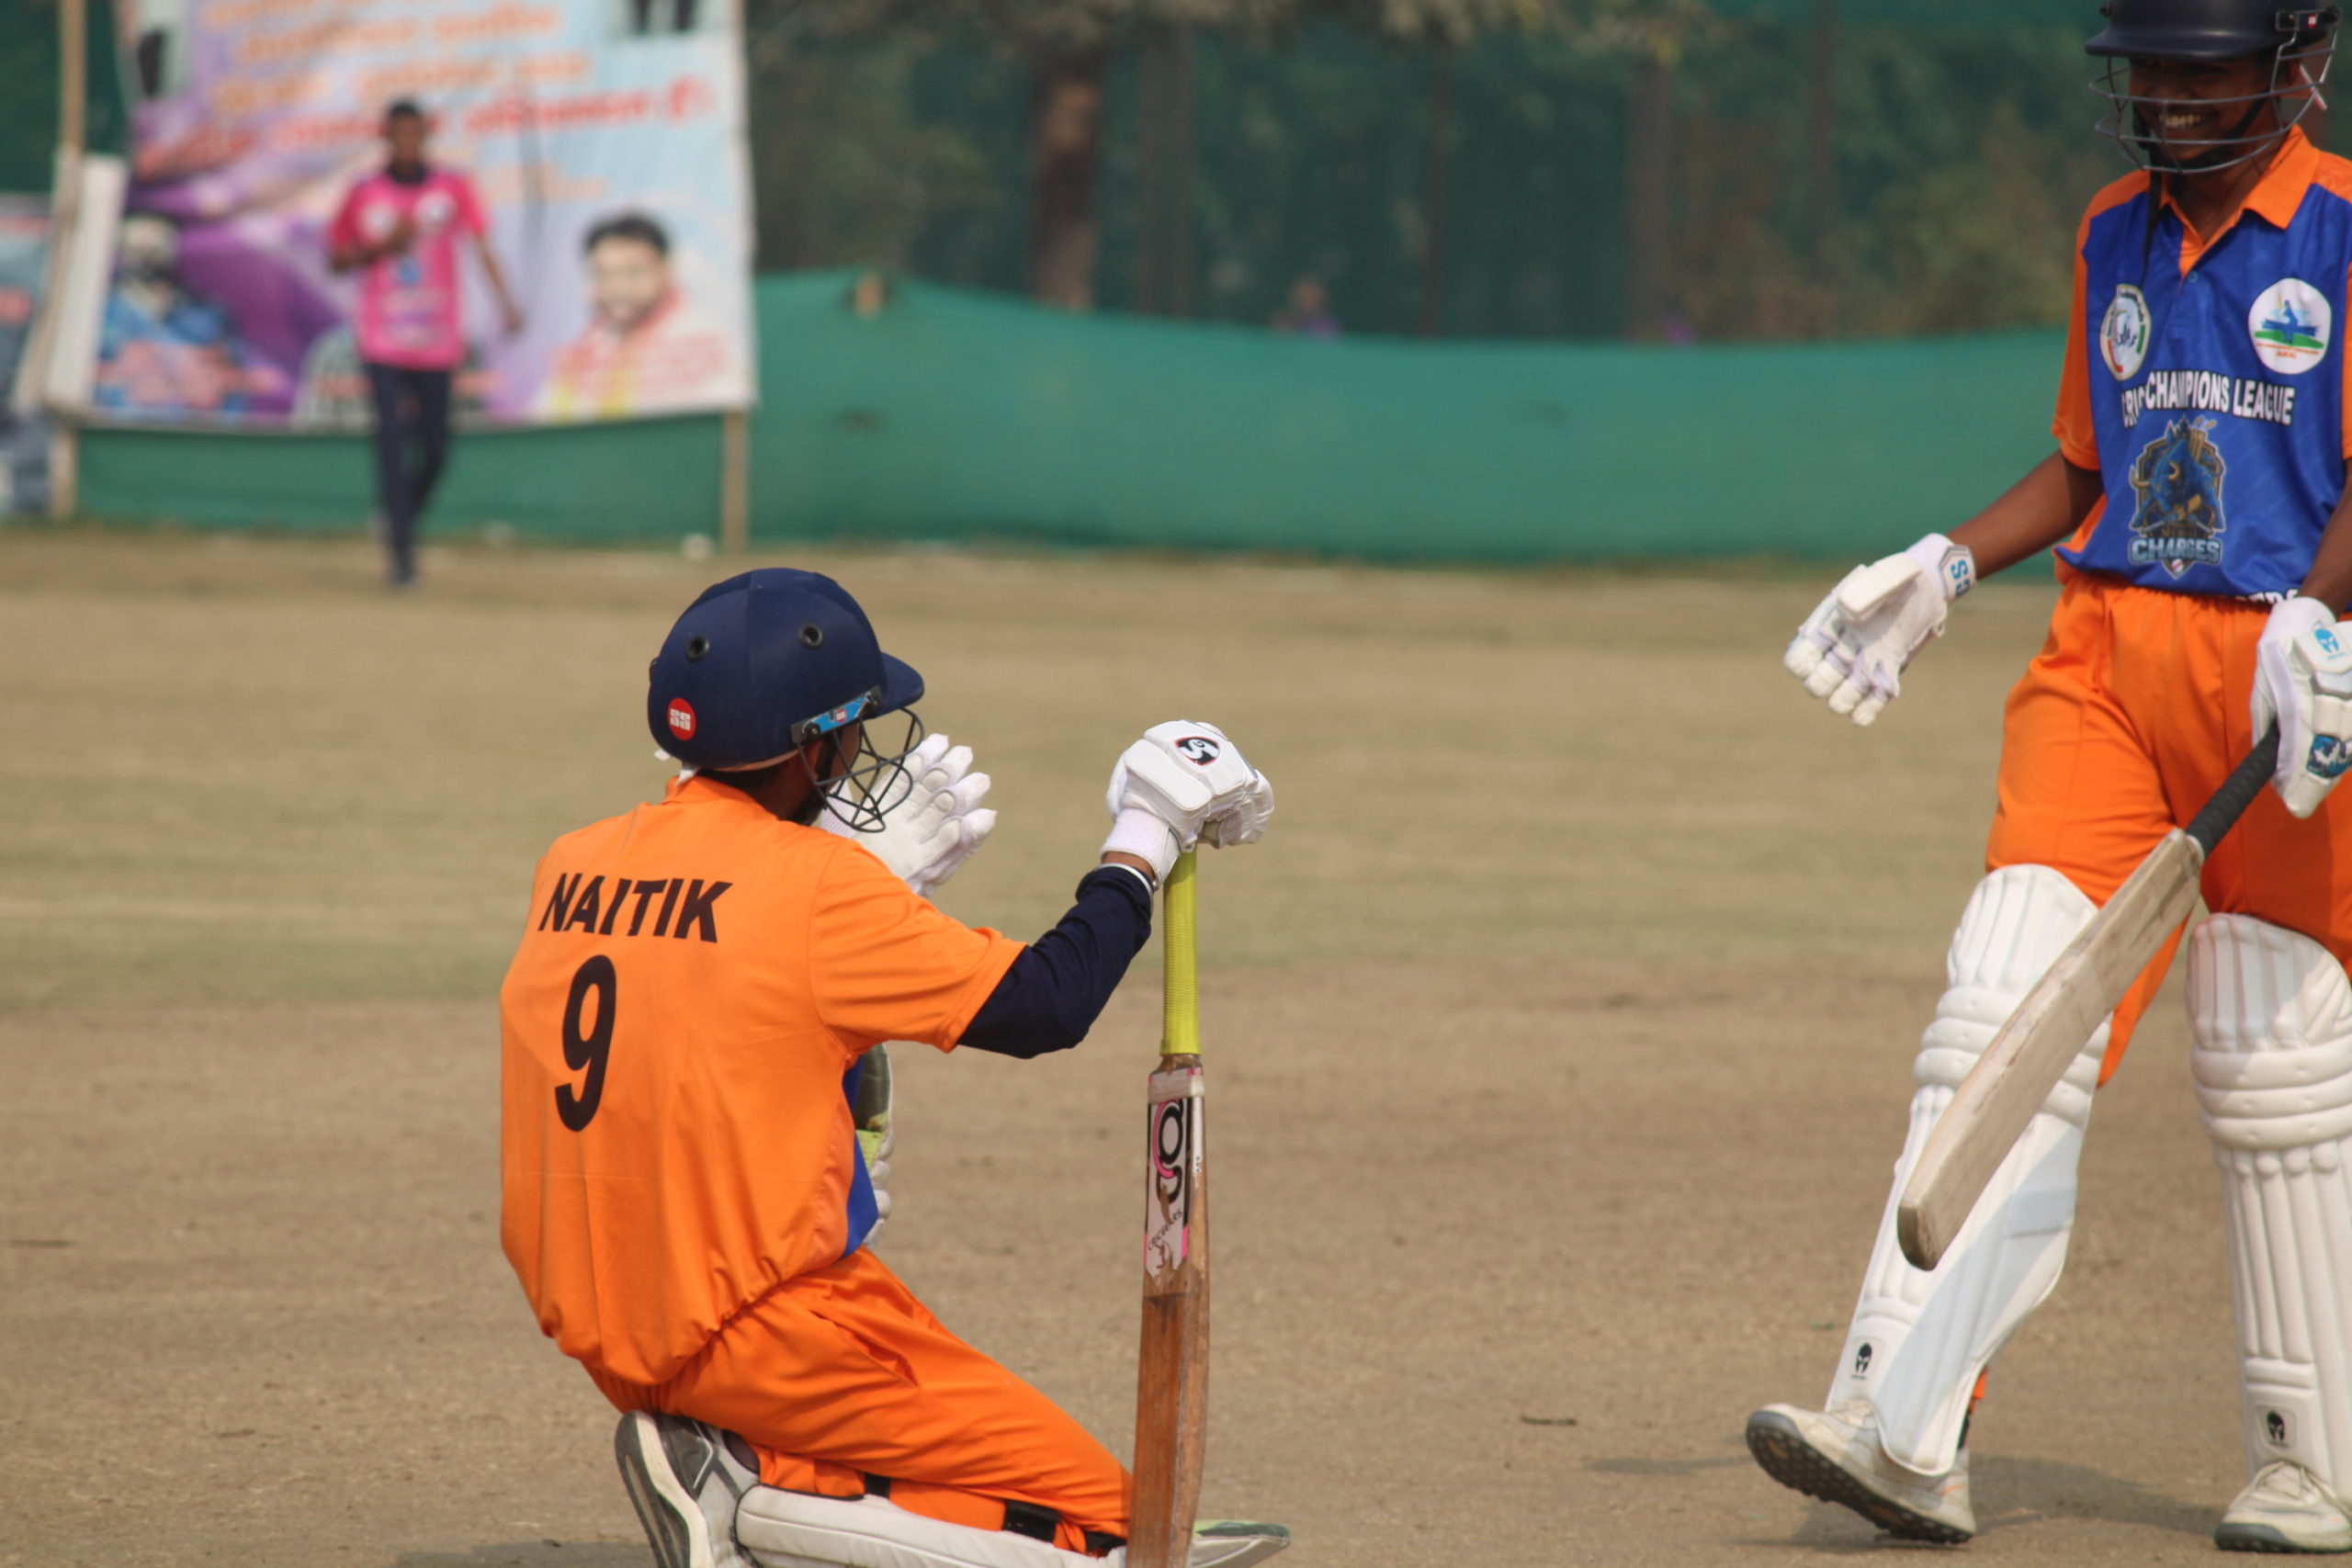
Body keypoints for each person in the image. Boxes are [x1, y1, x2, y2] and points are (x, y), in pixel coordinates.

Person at [1747, 2, 2352, 1553]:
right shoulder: (2112, 231)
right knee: (2001, 1006)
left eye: (2202, 67)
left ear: (2296, 67)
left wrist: (2317, 616)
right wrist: (1948, 562)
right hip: (2107, 667)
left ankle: (2315, 1462)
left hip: (2293, 687)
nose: (2166, 95)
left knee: (2274, 1068)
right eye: (2147, 67)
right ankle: (1900, 1418)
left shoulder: (2346, 232)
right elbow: (2093, 458)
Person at [498, 568, 1290, 1568]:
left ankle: (741, 1461)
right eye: (853, 728)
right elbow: (1048, 1003)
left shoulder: (571, 862)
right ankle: (742, 1488)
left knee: (918, 1463)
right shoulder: (819, 890)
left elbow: (716, 1018)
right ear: (811, 744)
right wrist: (1144, 837)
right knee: (1126, 1526)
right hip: (766, 1331)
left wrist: (853, 889)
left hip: (603, 1321)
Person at [327, 100, 521, 587]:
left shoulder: (451, 187)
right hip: (382, 339)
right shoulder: (364, 191)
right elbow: (337, 259)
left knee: (436, 449)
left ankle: (400, 520)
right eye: (400, 135)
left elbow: (481, 244)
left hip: (437, 340)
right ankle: (402, 558)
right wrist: (379, 247)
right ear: (386, 137)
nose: (409, 143)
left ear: (426, 136)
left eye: (416, 134)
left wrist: (506, 302)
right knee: (391, 445)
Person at [533, 211, 735, 421]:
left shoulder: (701, 339)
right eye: (604, 274)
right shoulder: (585, 350)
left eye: (633, 272)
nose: (617, 287)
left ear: (665, 270)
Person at [91, 210, 249, 420]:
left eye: (156, 250)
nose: (147, 259)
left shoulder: (207, 316)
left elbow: (232, 388)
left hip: (185, 433)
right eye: (138, 249)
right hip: (114, 431)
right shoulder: (98, 313)